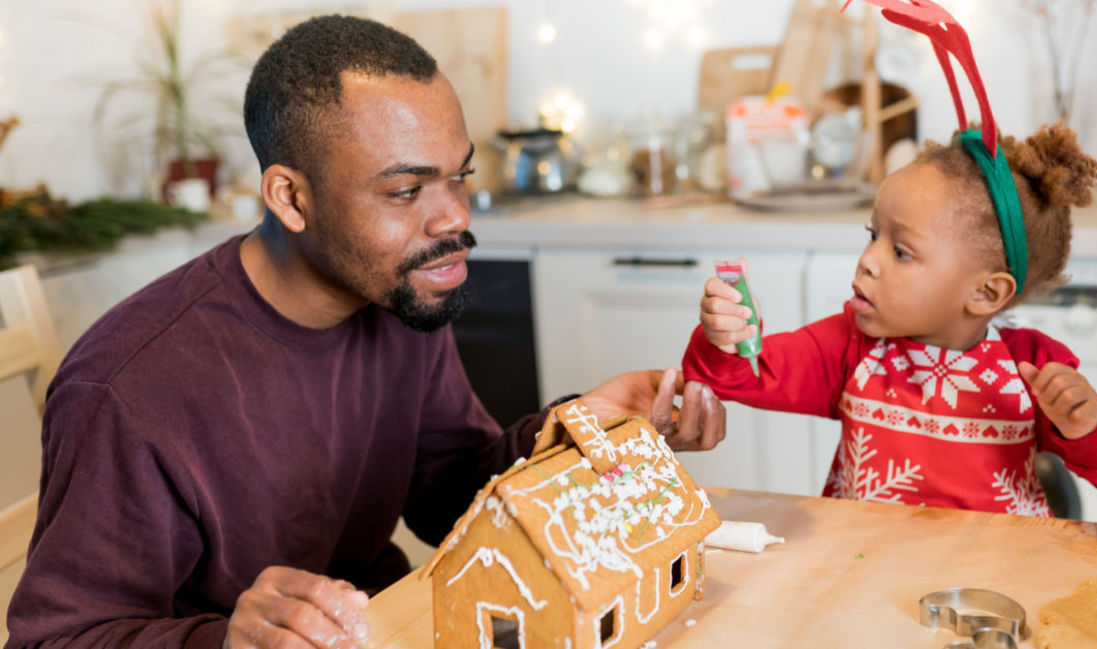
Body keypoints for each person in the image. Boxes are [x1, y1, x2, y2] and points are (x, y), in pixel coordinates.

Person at [5, 15, 725, 649]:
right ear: (291, 196)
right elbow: (58, 637)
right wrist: (226, 638)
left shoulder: (398, 289)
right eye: (406, 190)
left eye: (459, 177)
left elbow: (451, 498)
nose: (452, 221)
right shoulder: (131, 387)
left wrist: (568, 430)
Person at [683, 123, 1097, 515]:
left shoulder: (1031, 371)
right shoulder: (850, 346)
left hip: (993, 592)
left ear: (985, 292)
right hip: (862, 579)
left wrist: (1090, 426)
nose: (868, 261)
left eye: (900, 250)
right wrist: (727, 339)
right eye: (872, 234)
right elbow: (743, 376)